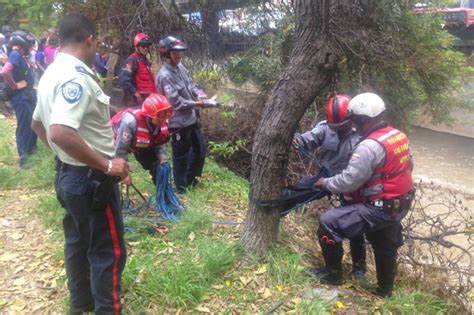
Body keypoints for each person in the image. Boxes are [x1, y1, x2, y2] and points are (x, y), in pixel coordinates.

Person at [31, 13, 129, 314]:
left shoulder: (51, 72)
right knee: (107, 253)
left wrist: (69, 158)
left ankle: (81, 305)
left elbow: (38, 125)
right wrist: (106, 164)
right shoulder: (76, 76)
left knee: (76, 241)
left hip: (69, 177)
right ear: (90, 38)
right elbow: (60, 131)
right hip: (92, 182)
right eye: (97, 42)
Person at [313, 92, 414, 297]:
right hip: (399, 205)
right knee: (384, 245)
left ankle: (332, 275)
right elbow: (408, 165)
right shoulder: (398, 136)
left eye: (355, 121)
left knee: (328, 223)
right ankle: (384, 291)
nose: (354, 126)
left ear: (362, 120)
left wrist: (326, 183)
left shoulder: (368, 147)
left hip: (378, 208)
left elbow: (350, 180)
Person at [292, 95, 367, 280]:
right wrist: (297, 141)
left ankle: (359, 269)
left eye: (343, 125)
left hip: (352, 185)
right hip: (326, 176)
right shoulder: (325, 128)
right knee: (299, 191)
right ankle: (274, 212)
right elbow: (308, 139)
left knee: (355, 227)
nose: (339, 129)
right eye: (336, 126)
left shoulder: (362, 136)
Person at [155, 35, 218, 192]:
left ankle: (192, 179)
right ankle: (181, 187)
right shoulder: (165, 76)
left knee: (200, 149)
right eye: (175, 53)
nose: (179, 56)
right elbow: (177, 103)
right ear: (167, 54)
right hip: (177, 122)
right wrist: (201, 104)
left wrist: (202, 96)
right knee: (181, 156)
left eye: (180, 52)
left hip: (191, 118)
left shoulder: (181, 68)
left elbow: (191, 85)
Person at [111, 93, 174, 185]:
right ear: (150, 114)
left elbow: (159, 141)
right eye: (161, 114)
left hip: (141, 144)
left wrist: (162, 158)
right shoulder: (130, 122)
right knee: (114, 174)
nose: (164, 118)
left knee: (158, 166)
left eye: (167, 113)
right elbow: (120, 149)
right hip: (118, 141)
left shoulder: (161, 122)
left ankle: (162, 190)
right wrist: (124, 174)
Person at [0, 30, 38, 168]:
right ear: (23, 44)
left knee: (33, 124)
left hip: (27, 95)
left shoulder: (18, 55)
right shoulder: (16, 54)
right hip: (22, 97)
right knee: (24, 126)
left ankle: (32, 153)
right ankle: (25, 160)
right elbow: (4, 71)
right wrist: (15, 85)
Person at [118, 32, 156, 107]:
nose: (146, 48)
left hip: (149, 98)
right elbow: (123, 80)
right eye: (143, 46)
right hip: (138, 100)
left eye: (147, 46)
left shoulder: (145, 60)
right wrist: (135, 92)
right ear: (137, 46)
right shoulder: (132, 60)